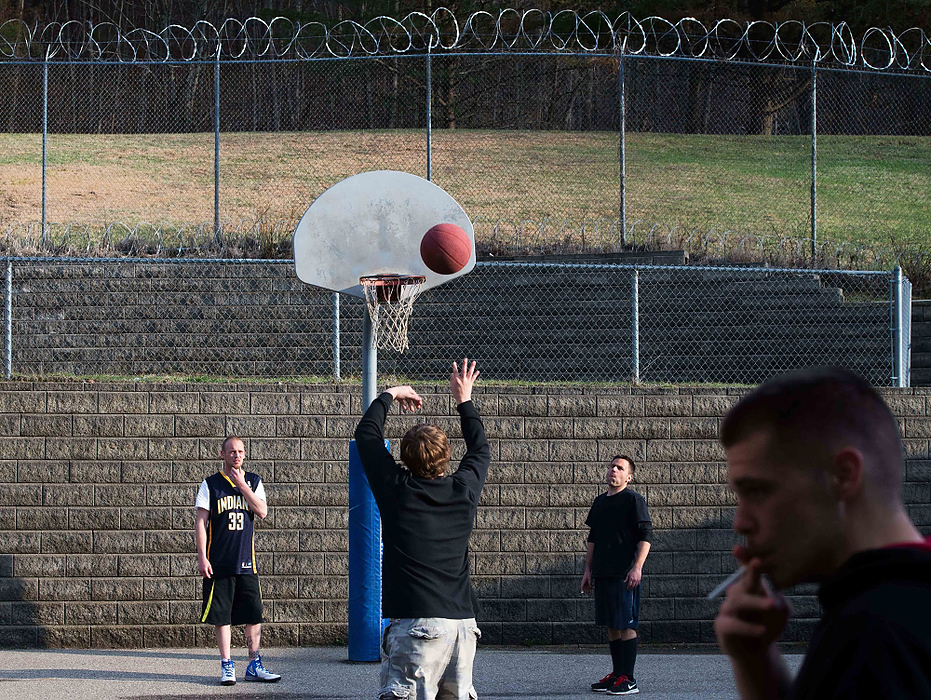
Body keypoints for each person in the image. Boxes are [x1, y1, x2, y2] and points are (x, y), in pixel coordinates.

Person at [714, 367, 931, 699]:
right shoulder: (906, 605)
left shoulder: (872, 640)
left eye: (758, 490)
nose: (740, 522)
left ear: (843, 475)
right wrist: (755, 663)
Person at [354, 358, 489, 700]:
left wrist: (391, 392)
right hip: (462, 627)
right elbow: (481, 450)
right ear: (447, 457)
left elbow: (366, 435)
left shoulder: (397, 490)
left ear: (405, 459)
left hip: (417, 625)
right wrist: (464, 399)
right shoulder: (463, 490)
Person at [195, 436, 281, 686]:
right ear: (222, 454)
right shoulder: (210, 484)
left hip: (246, 562)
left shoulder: (253, 481)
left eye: (240, 451)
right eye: (231, 451)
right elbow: (201, 522)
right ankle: (227, 665)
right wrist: (202, 556)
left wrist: (242, 486)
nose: (236, 455)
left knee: (253, 614)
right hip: (219, 562)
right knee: (222, 617)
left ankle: (254, 664)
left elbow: (262, 511)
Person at [582, 455, 653, 696]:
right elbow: (592, 538)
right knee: (611, 625)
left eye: (619, 468)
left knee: (626, 625)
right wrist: (588, 570)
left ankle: (629, 678)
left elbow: (646, 535)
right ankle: (616, 674)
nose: (613, 470)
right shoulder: (600, 502)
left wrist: (637, 567)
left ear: (628, 477)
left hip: (624, 574)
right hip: (602, 573)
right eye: (611, 466)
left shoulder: (634, 500)